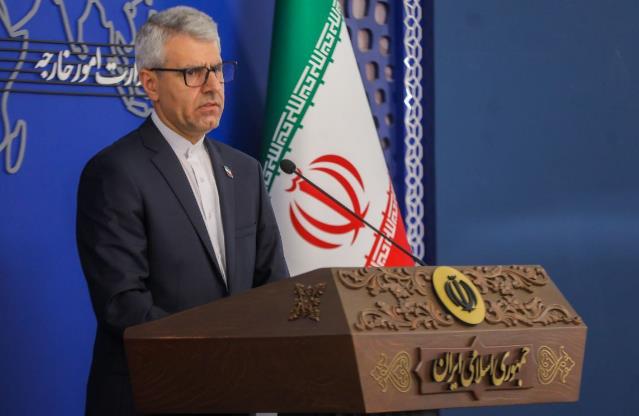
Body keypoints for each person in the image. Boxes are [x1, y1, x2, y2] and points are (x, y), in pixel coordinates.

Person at [76, 6, 289, 415]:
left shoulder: (245, 171)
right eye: (193, 73)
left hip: (237, 396)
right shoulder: (115, 172)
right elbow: (123, 304)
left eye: (217, 70)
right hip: (153, 396)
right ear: (150, 83)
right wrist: (218, 353)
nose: (212, 87)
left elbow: (273, 285)